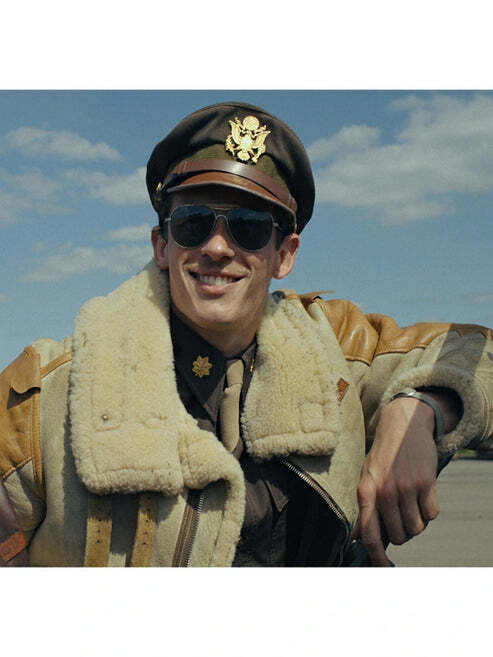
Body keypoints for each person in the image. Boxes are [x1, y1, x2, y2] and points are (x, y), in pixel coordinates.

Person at [1, 101, 492, 567]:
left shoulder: (338, 350)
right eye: (193, 223)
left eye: (249, 227)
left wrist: (421, 406)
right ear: (162, 245)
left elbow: (475, 353)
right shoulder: (48, 397)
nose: (217, 247)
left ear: (285, 255)